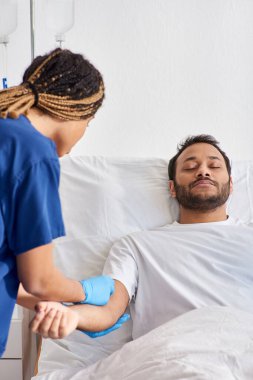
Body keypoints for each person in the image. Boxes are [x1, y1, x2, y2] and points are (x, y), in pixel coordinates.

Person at [29, 134, 253, 340]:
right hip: (170, 355)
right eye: (191, 167)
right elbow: (109, 310)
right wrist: (72, 316)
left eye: (214, 165)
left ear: (231, 185)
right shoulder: (137, 246)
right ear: (172, 188)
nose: (203, 171)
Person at [0, 48, 117, 358]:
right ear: (77, 111)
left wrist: (57, 307)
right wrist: (87, 291)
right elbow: (39, 279)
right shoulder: (34, 153)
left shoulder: (6, 134)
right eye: (88, 124)